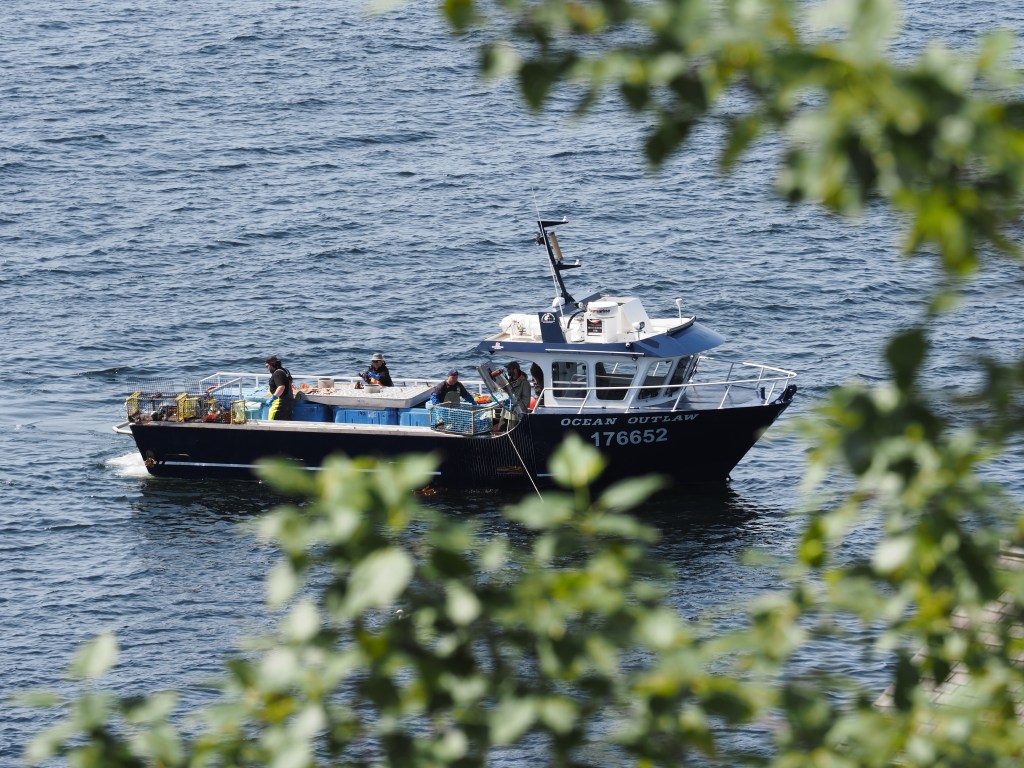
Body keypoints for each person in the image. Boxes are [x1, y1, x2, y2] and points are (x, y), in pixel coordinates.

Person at [494, 361, 531, 432]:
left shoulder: (525, 383)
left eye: (509, 369)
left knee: (512, 432)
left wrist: (514, 407)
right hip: (505, 412)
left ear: (515, 370)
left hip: (515, 415)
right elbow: (503, 391)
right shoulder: (509, 381)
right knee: (501, 430)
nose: (507, 370)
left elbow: (526, 402)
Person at [265, 355, 294, 421]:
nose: (266, 367)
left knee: (274, 422)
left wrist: (273, 398)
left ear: (272, 364)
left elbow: (281, 387)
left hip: (279, 404)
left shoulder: (277, 373)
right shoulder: (285, 371)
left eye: (267, 365)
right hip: (288, 402)